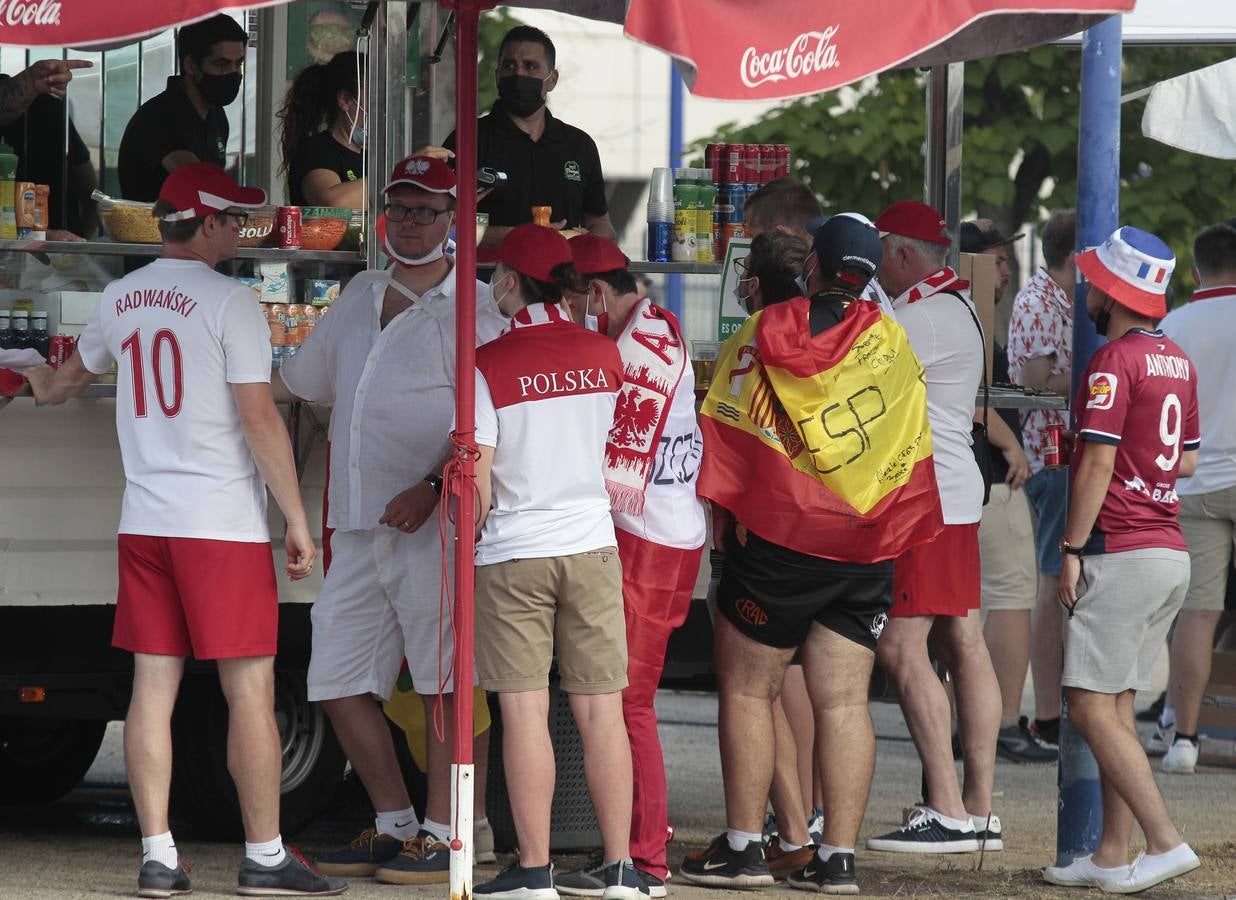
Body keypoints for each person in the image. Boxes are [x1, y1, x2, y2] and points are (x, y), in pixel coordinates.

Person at [21, 163, 343, 898]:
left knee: (152, 690)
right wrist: (297, 519)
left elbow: (65, 384)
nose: (240, 232)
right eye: (232, 220)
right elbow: (260, 419)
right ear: (203, 223)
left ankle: (158, 854)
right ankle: (264, 856)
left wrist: (34, 379)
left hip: (147, 523)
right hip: (220, 528)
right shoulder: (231, 303)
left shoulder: (120, 296)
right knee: (251, 694)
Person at [685, 215, 944, 893]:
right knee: (842, 702)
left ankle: (744, 850)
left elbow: (724, 428)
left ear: (815, 267)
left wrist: (732, 513)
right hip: (865, 545)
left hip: (781, 543)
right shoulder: (893, 343)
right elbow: (914, 445)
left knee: (748, 688)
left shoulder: (764, 333)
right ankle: (837, 860)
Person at [273, 155, 505, 884]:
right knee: (333, 677)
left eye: (425, 210)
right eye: (400, 209)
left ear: (452, 222)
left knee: (442, 682)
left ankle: (445, 832)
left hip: (433, 525)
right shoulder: (360, 290)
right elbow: (300, 384)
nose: (409, 221)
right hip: (357, 519)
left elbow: (493, 426)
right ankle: (396, 822)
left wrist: (433, 487)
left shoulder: (477, 309)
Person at [470, 224, 646, 900]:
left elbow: (478, 480)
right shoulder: (605, 354)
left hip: (514, 550)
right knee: (603, 711)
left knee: (523, 714)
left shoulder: (487, 362)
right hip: (592, 544)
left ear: (512, 282)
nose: (490, 287)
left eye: (495, 276)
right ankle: (621, 869)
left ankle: (536, 871)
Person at [1043, 226, 1202, 892]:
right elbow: (1186, 456)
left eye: (1093, 282)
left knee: (1085, 704)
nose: (1085, 290)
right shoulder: (1177, 361)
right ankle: (1112, 853)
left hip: (1122, 549)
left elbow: (1100, 460)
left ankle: (1164, 843)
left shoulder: (1113, 363)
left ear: (1111, 290)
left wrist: (1072, 547)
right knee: (1117, 704)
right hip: (1167, 549)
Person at [554, 236, 706, 897]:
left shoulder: (638, 349)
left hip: (651, 539)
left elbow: (607, 458)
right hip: (665, 530)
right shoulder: (656, 327)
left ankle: (644, 862)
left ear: (595, 292)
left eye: (573, 299)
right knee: (621, 700)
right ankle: (635, 853)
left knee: (627, 702)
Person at [866, 200, 1002, 854]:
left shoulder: (919, 317)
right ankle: (976, 808)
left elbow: (848, 370)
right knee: (962, 642)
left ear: (900, 255)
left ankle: (946, 810)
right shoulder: (959, 304)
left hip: (930, 501)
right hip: (955, 495)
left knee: (899, 649)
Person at [960, 220, 1052, 764]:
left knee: (968, 609)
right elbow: (968, 399)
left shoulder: (963, 318)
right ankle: (1005, 722)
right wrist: (1012, 446)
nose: (1005, 270)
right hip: (992, 479)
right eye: (996, 260)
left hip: (970, 484)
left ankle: (969, 721)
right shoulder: (967, 319)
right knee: (1013, 597)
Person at [1154, 223, 1236, 774]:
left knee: (1198, 615)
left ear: (1194, 270)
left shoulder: (1173, 325)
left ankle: (1184, 737)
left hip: (1195, 481)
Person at [1007, 209, 1078, 751]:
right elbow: (1035, 382)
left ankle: (1055, 711)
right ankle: (1048, 713)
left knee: (1058, 583)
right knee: (1052, 585)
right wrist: (1079, 375)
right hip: (1048, 458)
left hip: (1063, 455)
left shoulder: (1061, 301)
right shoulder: (1040, 302)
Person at [443, 25, 614, 247]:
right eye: (509, 65)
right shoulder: (467, 140)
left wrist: (585, 240)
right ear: (497, 76)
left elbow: (601, 224)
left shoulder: (579, 145)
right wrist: (520, 238)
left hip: (562, 279)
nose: (518, 73)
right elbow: (441, 226)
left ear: (552, 80)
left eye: (531, 66)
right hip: (486, 279)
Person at [119, 14, 248, 201]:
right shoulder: (159, 117)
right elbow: (199, 181)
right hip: (154, 229)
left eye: (239, 64)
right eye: (221, 64)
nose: (233, 73)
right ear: (191, 65)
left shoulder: (216, 115)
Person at [0, 58, 96, 239]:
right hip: (37, 246)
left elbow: (90, 190)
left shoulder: (48, 107)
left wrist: (82, 242)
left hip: (62, 252)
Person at [279, 51, 366, 208]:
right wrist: (396, 181)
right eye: (375, 101)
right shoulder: (315, 150)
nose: (382, 112)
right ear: (345, 100)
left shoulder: (371, 157)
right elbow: (330, 203)